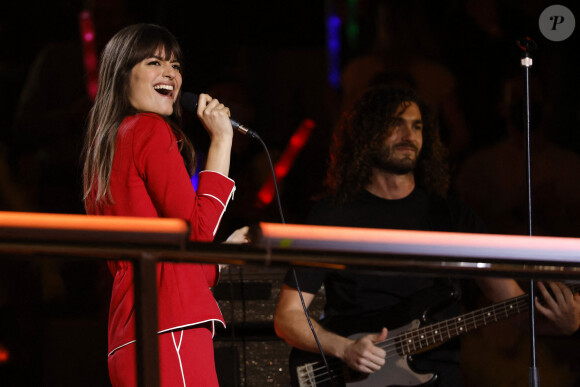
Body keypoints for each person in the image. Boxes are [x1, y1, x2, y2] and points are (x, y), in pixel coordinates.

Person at [273, 86, 580, 386]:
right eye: (396, 124)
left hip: (439, 377)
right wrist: (343, 348)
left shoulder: (452, 216)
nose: (409, 136)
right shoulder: (333, 216)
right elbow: (287, 317)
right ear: (366, 134)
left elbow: (513, 310)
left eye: (417, 126)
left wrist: (566, 324)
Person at [82, 23, 242, 387]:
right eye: (154, 62)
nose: (170, 73)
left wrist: (220, 260)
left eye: (176, 65)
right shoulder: (149, 130)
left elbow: (168, 259)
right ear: (122, 77)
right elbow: (196, 234)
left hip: (128, 337)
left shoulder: (105, 149)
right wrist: (221, 141)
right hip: (172, 329)